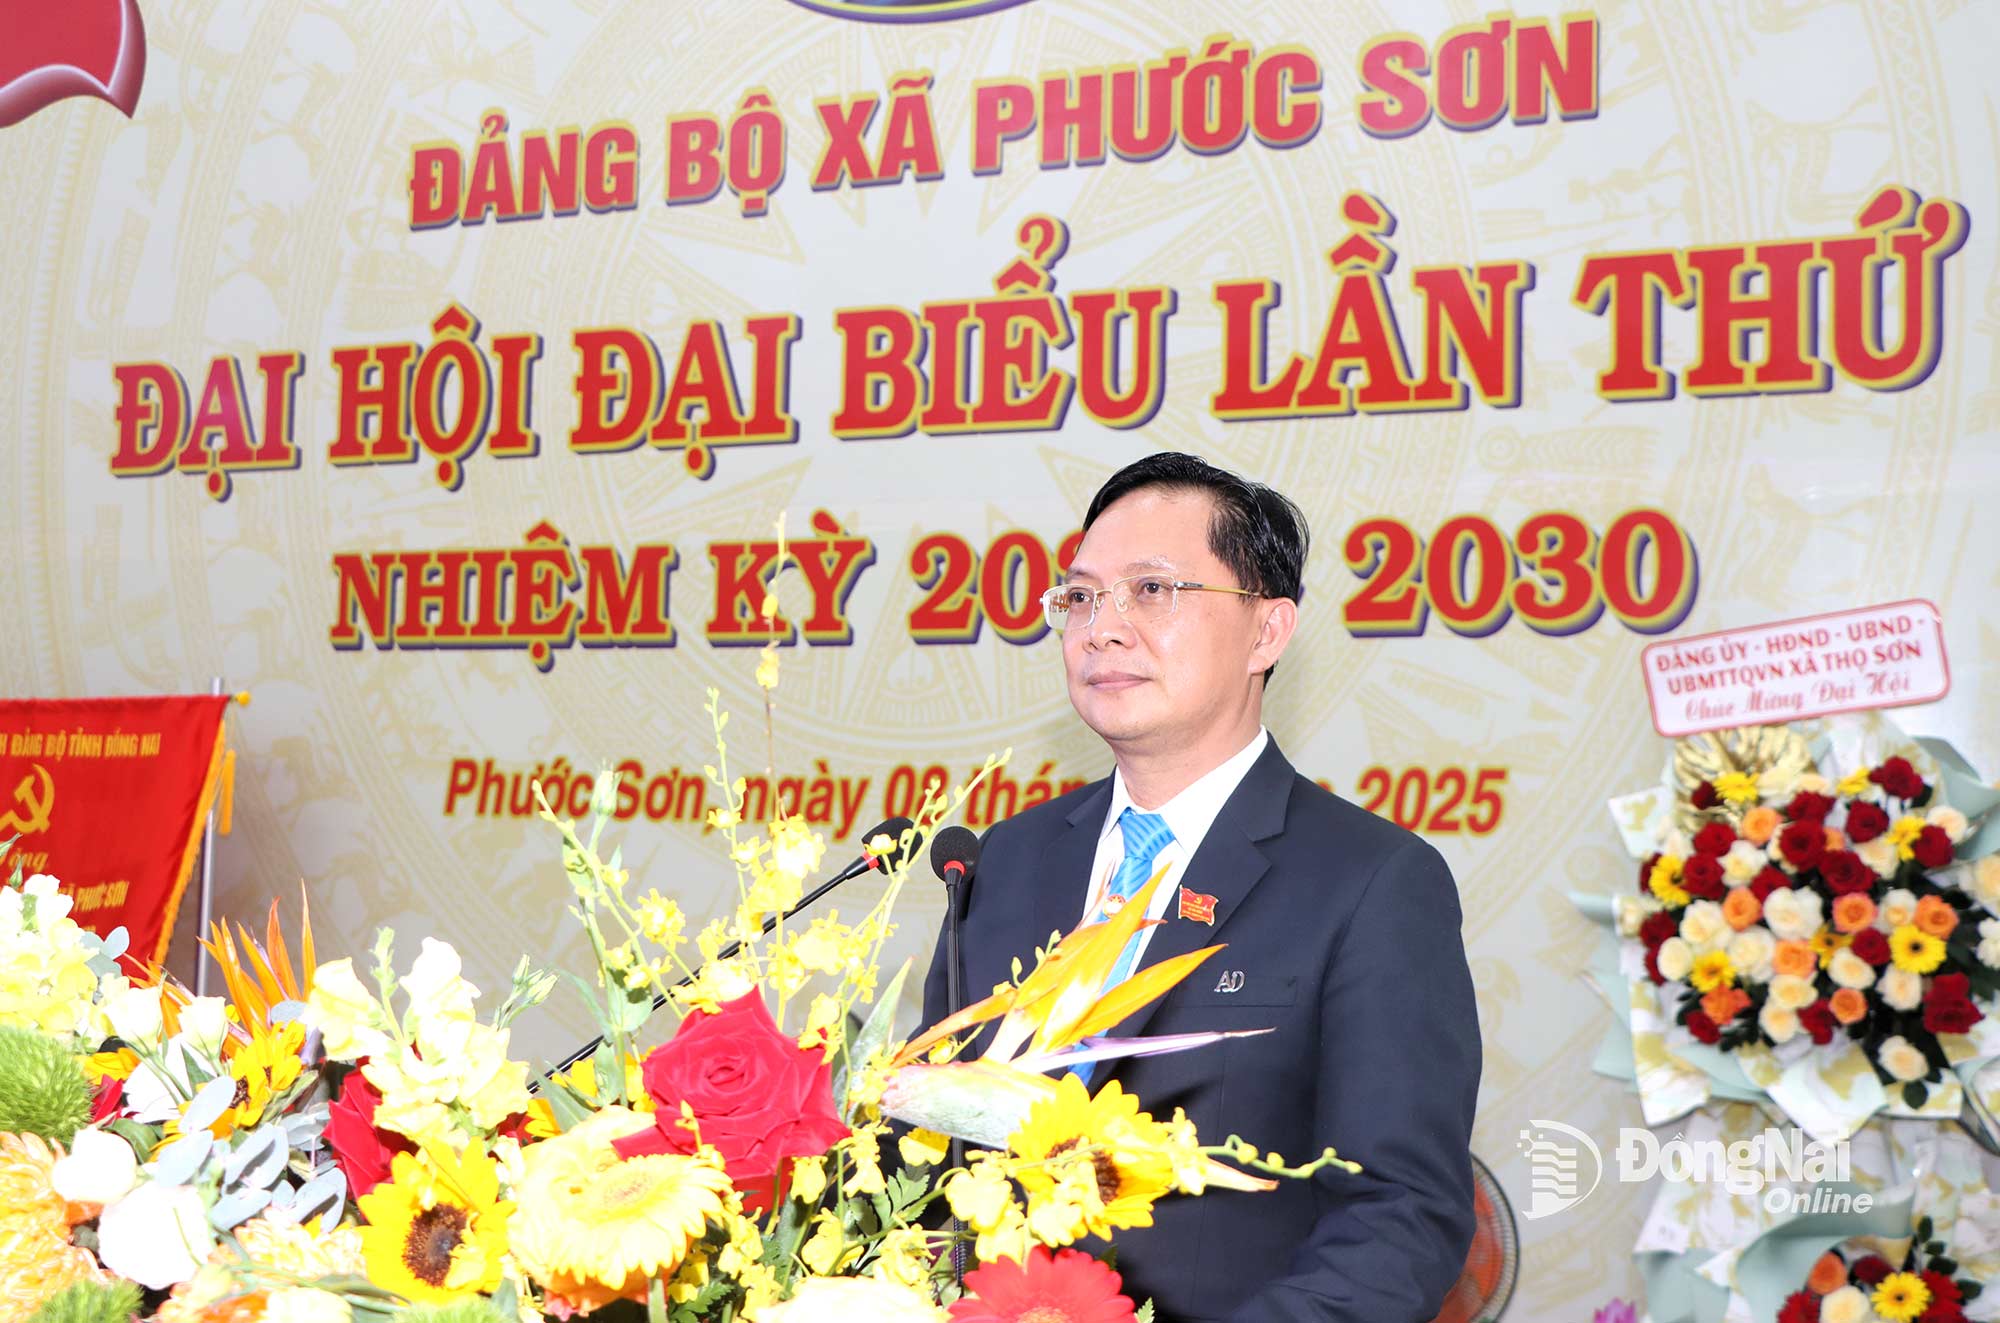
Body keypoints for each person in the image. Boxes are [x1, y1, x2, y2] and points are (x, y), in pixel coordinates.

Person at [920, 453, 1480, 1322]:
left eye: (1152, 591)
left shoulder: (1372, 882)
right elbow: (926, 1153)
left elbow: (1400, 1217)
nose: (1102, 629)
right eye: (1081, 597)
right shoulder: (1003, 859)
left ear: (1267, 631)